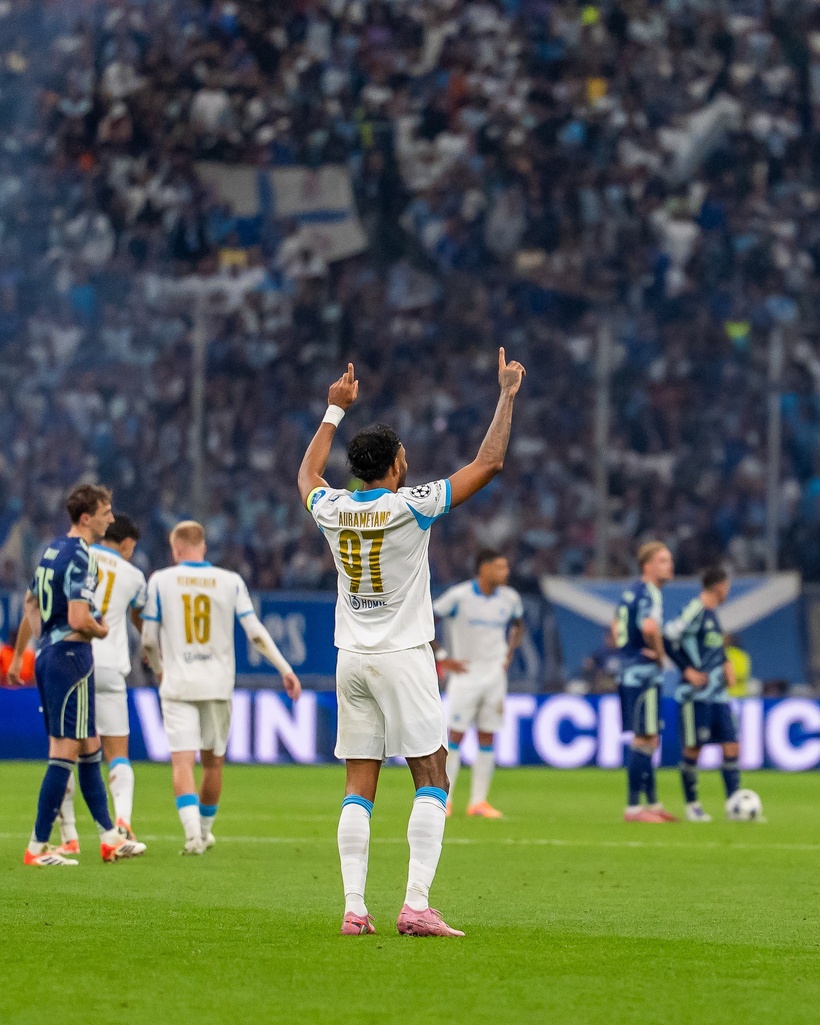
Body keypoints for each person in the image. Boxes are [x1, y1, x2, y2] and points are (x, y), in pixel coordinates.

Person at [297, 348, 526, 938]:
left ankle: (353, 909)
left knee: (359, 783)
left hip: (351, 657)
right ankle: (416, 905)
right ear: (396, 465)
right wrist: (505, 396)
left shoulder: (333, 507)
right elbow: (490, 462)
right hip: (403, 656)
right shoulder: (411, 507)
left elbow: (306, 478)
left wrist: (332, 411)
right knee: (433, 776)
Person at [141, 520, 302, 854]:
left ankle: (191, 836)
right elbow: (255, 631)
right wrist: (284, 669)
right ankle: (204, 830)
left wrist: (159, 671)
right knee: (213, 763)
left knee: (182, 761)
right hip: (217, 684)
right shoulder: (229, 581)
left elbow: (148, 640)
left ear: (176, 548)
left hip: (178, 683)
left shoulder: (160, 580)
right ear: (204, 547)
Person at [7, 484, 146, 866]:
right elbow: (79, 618)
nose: (112, 519)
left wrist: (39, 643)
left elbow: (30, 602)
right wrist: (100, 630)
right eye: (106, 511)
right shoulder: (83, 556)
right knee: (64, 752)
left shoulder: (51, 550)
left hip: (53, 655)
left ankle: (108, 837)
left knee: (88, 746)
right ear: (87, 518)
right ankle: (37, 847)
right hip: (71, 657)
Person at [56, 514, 147, 855]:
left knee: (65, 751)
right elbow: (141, 616)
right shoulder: (134, 575)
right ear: (125, 544)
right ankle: (121, 824)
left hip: (72, 659)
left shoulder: (77, 557)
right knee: (117, 753)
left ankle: (70, 836)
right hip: (110, 667)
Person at [432, 549, 524, 819]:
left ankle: (478, 802)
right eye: (500, 567)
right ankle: (444, 800)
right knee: (455, 736)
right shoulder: (459, 596)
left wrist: (509, 653)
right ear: (483, 568)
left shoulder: (509, 598)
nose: (505, 573)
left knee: (487, 736)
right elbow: (427, 618)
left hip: (495, 676)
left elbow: (518, 624)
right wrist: (442, 658)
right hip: (465, 676)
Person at [665, 566, 740, 822]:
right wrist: (687, 669)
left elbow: (713, 649)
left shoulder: (713, 615)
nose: (728, 591)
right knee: (693, 749)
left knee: (731, 746)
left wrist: (726, 663)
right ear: (718, 585)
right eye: (727, 586)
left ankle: (734, 805)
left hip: (717, 694)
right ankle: (692, 805)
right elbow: (668, 636)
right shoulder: (695, 609)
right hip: (695, 695)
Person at [612, 541, 678, 824]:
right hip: (642, 673)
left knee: (650, 737)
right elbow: (649, 626)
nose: (669, 565)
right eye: (663, 560)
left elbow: (616, 628)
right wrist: (660, 655)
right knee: (644, 738)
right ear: (647, 565)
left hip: (629, 670)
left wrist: (628, 651)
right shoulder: (649, 592)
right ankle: (633, 808)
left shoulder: (631, 591)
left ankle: (652, 802)